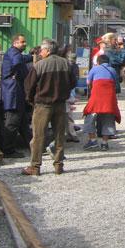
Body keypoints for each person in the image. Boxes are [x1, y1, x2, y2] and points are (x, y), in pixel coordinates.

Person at [21, 39, 77, 176]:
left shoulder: (39, 65)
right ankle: (58, 165)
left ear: (47, 51)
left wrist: (31, 100)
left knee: (38, 136)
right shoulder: (66, 63)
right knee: (59, 136)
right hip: (60, 105)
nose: (40, 52)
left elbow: (29, 86)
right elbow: (73, 82)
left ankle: (35, 166)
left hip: (42, 105)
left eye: (42, 50)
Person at [0, 34, 33, 156]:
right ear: (15, 43)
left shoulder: (15, 54)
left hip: (17, 93)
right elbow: (17, 61)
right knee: (12, 123)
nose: (24, 44)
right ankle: (8, 150)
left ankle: (34, 146)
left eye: (25, 42)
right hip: (13, 94)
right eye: (22, 42)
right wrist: (31, 57)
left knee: (23, 123)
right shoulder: (14, 53)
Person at [83, 54, 121, 150]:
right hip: (109, 99)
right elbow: (116, 82)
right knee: (108, 120)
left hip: (96, 98)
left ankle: (93, 141)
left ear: (98, 62)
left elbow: (88, 82)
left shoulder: (94, 69)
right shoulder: (113, 70)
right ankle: (104, 143)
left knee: (89, 119)